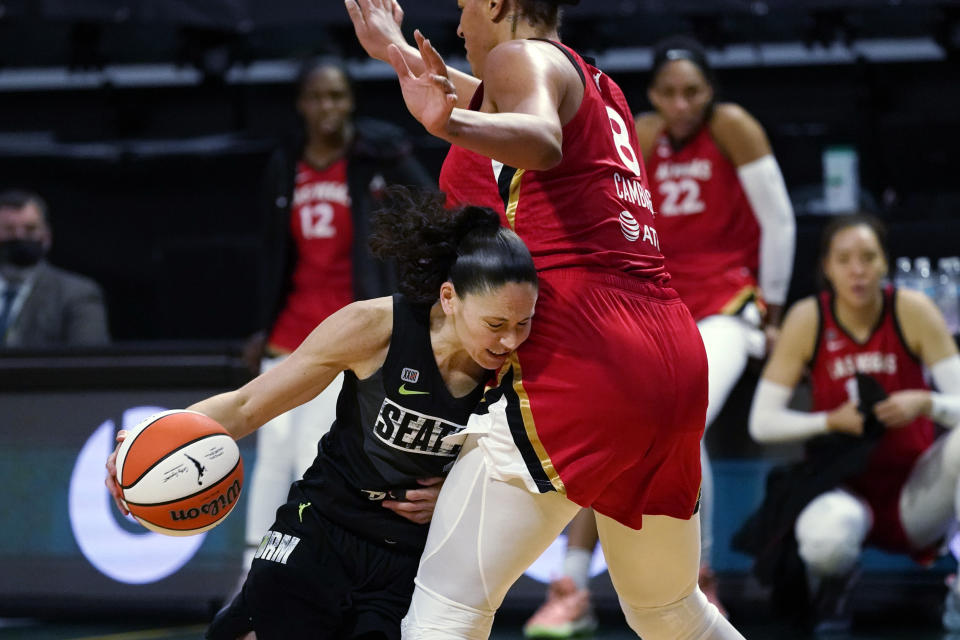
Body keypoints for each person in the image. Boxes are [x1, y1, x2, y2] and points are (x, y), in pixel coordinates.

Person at [346, 1, 747, 638]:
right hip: (668, 352)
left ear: (500, 4)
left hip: (585, 350)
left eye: (463, 8)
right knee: (670, 613)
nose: (457, 27)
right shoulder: (596, 85)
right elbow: (485, 98)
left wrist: (449, 124)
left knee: (446, 608)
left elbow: (540, 138)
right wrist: (394, 48)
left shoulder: (519, 59)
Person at [106, 187, 539, 640]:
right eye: (495, 325)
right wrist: (148, 440)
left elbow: (533, 468)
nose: (509, 341)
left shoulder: (525, 365)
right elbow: (245, 405)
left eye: (522, 324)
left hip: (410, 554)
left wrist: (456, 498)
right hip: (323, 522)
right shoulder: (374, 328)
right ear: (449, 298)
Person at [524, 35, 798, 633]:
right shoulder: (638, 134)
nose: (681, 103)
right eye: (669, 92)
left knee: (682, 415)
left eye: (692, 91)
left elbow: (779, 219)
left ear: (710, 91)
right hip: (660, 307)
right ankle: (573, 583)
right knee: (611, 417)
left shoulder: (731, 126)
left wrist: (772, 307)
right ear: (651, 93)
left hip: (730, 306)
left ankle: (700, 582)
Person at [241, 57, 435, 584]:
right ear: (301, 105)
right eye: (318, 97)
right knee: (273, 449)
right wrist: (260, 326)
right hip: (291, 330)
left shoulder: (378, 157)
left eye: (338, 97)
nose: (328, 108)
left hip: (354, 334)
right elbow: (270, 254)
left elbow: (432, 213)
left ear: (351, 102)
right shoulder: (287, 164)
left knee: (314, 450)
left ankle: (312, 569)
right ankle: (252, 573)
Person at [743, 214, 960, 631]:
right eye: (844, 259)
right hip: (843, 491)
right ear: (826, 267)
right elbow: (762, 423)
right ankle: (834, 583)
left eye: (868, 258)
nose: (857, 270)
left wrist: (925, 402)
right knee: (827, 538)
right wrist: (830, 420)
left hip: (917, 494)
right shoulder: (809, 319)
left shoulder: (912, 310)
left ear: (885, 264)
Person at [0, 189, 110, 347]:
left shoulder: (77, 295)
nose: (19, 236)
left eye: (30, 229)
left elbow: (88, 362)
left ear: (46, 236)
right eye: (9, 229)